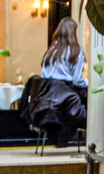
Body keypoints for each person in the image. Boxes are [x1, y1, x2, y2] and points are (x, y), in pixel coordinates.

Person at [37, 18, 87, 147]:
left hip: (49, 94)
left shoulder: (50, 52)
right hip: (67, 93)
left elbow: (44, 75)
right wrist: (88, 83)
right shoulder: (76, 51)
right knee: (87, 97)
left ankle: (58, 136)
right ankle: (88, 131)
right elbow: (77, 80)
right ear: (73, 32)